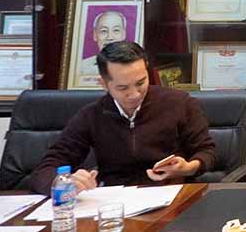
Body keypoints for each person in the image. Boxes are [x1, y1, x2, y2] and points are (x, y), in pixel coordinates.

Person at [29, 41, 215, 194]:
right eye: (122, 88)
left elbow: (207, 151)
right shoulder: (92, 115)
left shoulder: (179, 103)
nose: (134, 94)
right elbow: (45, 170)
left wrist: (189, 168)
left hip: (172, 196)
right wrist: (65, 181)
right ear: (104, 84)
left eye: (141, 83)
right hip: (114, 200)